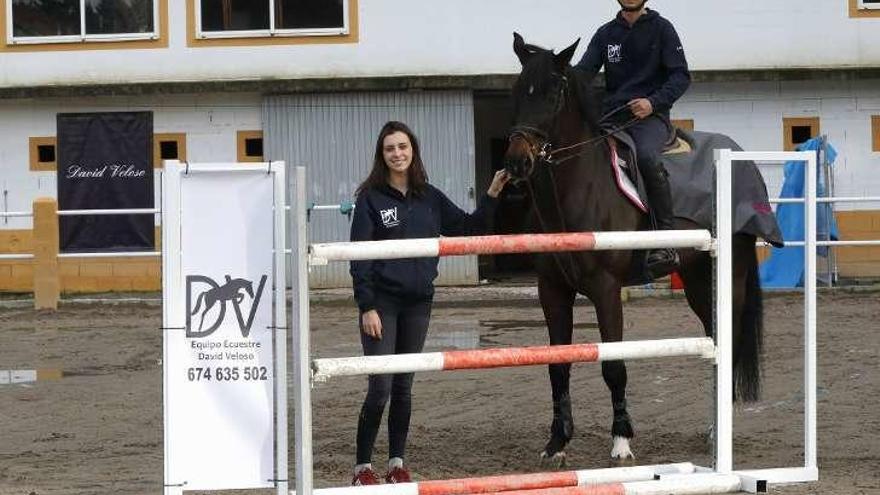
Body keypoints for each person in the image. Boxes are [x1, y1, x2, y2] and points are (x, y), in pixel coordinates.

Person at [348, 121, 510, 486]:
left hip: (419, 303)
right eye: (390, 148)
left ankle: (395, 465)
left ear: (413, 150)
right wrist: (367, 306)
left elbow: (470, 229)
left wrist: (493, 193)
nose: (397, 153)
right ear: (382, 154)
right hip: (383, 305)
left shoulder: (430, 197)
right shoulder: (370, 199)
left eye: (403, 146)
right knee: (380, 388)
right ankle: (362, 469)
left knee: (404, 387)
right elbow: (358, 257)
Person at [574, 0, 691, 278]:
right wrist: (553, 72)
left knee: (648, 158)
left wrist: (653, 103)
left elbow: (680, 76)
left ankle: (665, 241)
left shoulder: (663, 29)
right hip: (612, 117)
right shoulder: (605, 34)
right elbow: (583, 73)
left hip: (649, 118)